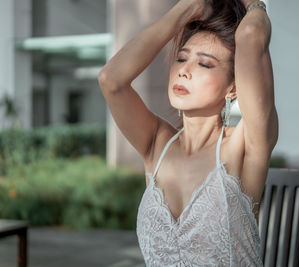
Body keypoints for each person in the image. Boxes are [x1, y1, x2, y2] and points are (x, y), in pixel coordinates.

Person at [98, 0, 278, 265]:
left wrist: (254, 4)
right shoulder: (157, 143)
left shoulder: (244, 146)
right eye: (181, 58)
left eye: (204, 64)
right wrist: (186, 8)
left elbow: (251, 36)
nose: (184, 70)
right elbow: (110, 80)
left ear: (233, 88)